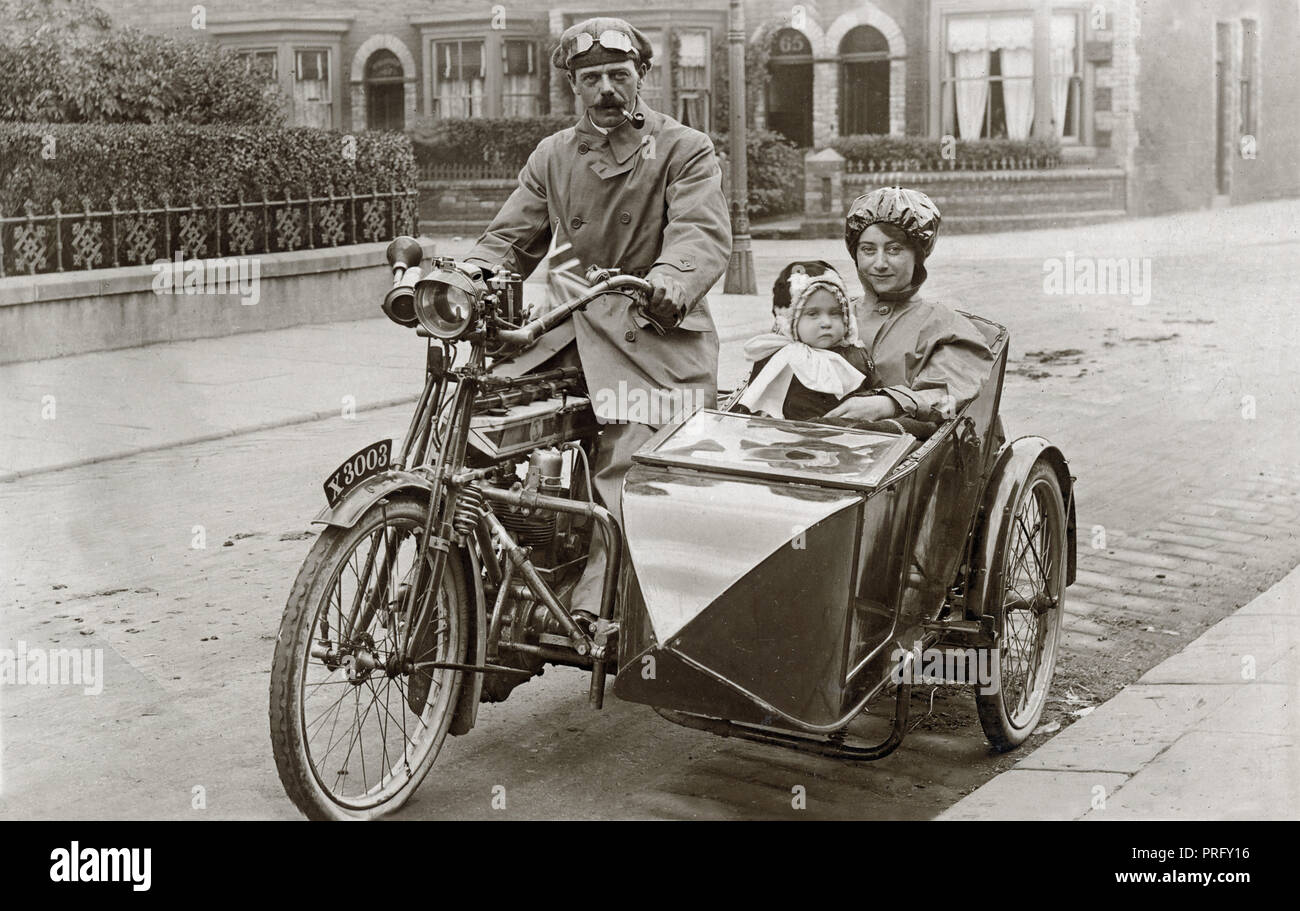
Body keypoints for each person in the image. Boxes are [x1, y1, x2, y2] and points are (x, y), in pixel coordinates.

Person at [459, 16, 731, 617]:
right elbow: (509, 239)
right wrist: (462, 278)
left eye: (618, 74)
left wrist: (669, 281)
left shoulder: (684, 149)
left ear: (641, 78)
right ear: (574, 87)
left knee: (632, 459)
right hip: (571, 325)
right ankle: (472, 578)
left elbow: (700, 234)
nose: (605, 89)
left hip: (653, 332)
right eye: (590, 79)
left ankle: (598, 605)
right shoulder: (553, 155)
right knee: (478, 422)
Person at [823, 187, 994, 427]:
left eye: (894, 250)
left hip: (908, 455)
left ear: (917, 255)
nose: (880, 263)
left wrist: (890, 404)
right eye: (868, 250)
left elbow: (948, 398)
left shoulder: (947, 327)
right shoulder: (830, 317)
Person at [735, 261, 875, 422]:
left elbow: (874, 392)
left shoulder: (855, 353)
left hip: (852, 438)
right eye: (813, 314)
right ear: (790, 319)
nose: (826, 322)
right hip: (789, 439)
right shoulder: (780, 359)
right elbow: (758, 405)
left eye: (835, 313)